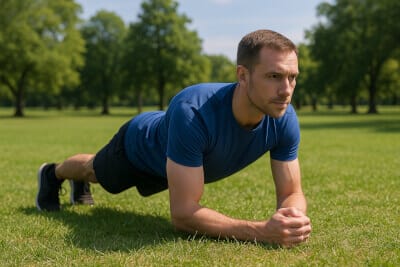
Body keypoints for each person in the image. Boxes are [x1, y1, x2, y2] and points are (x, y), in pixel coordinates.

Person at [36, 29, 312, 247]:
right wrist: (261, 232)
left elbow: (291, 192)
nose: (286, 90)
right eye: (275, 76)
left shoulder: (283, 118)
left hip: (178, 161)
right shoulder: (193, 111)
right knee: (93, 170)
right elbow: (183, 215)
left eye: (292, 77)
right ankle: (53, 173)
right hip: (139, 148)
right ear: (243, 75)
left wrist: (292, 219)